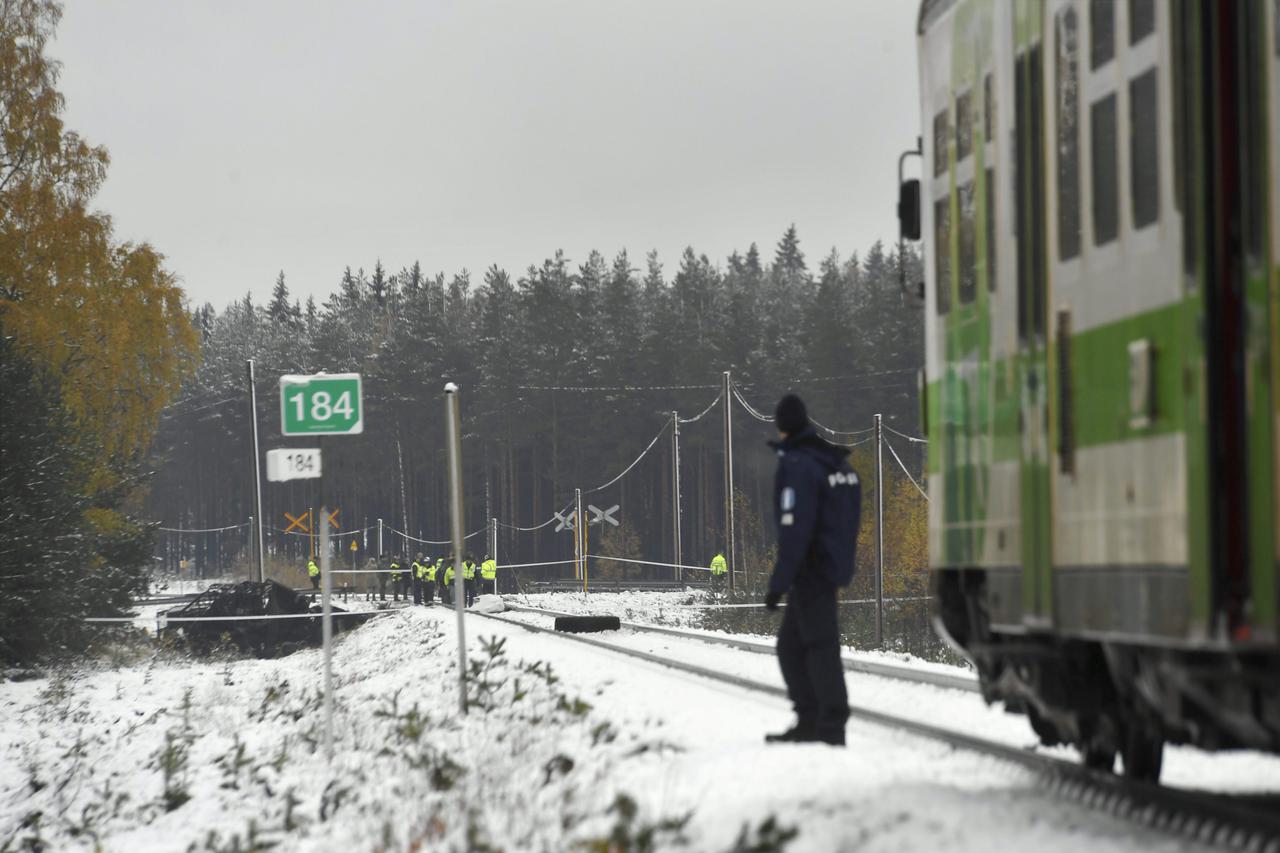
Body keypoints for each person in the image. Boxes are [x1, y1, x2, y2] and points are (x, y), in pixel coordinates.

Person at [763, 393, 861, 747]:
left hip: (811, 572)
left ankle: (830, 726)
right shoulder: (837, 466)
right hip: (829, 567)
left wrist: (779, 583)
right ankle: (809, 719)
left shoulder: (801, 466)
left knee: (819, 647)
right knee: (791, 648)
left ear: (782, 425)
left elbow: (796, 529)